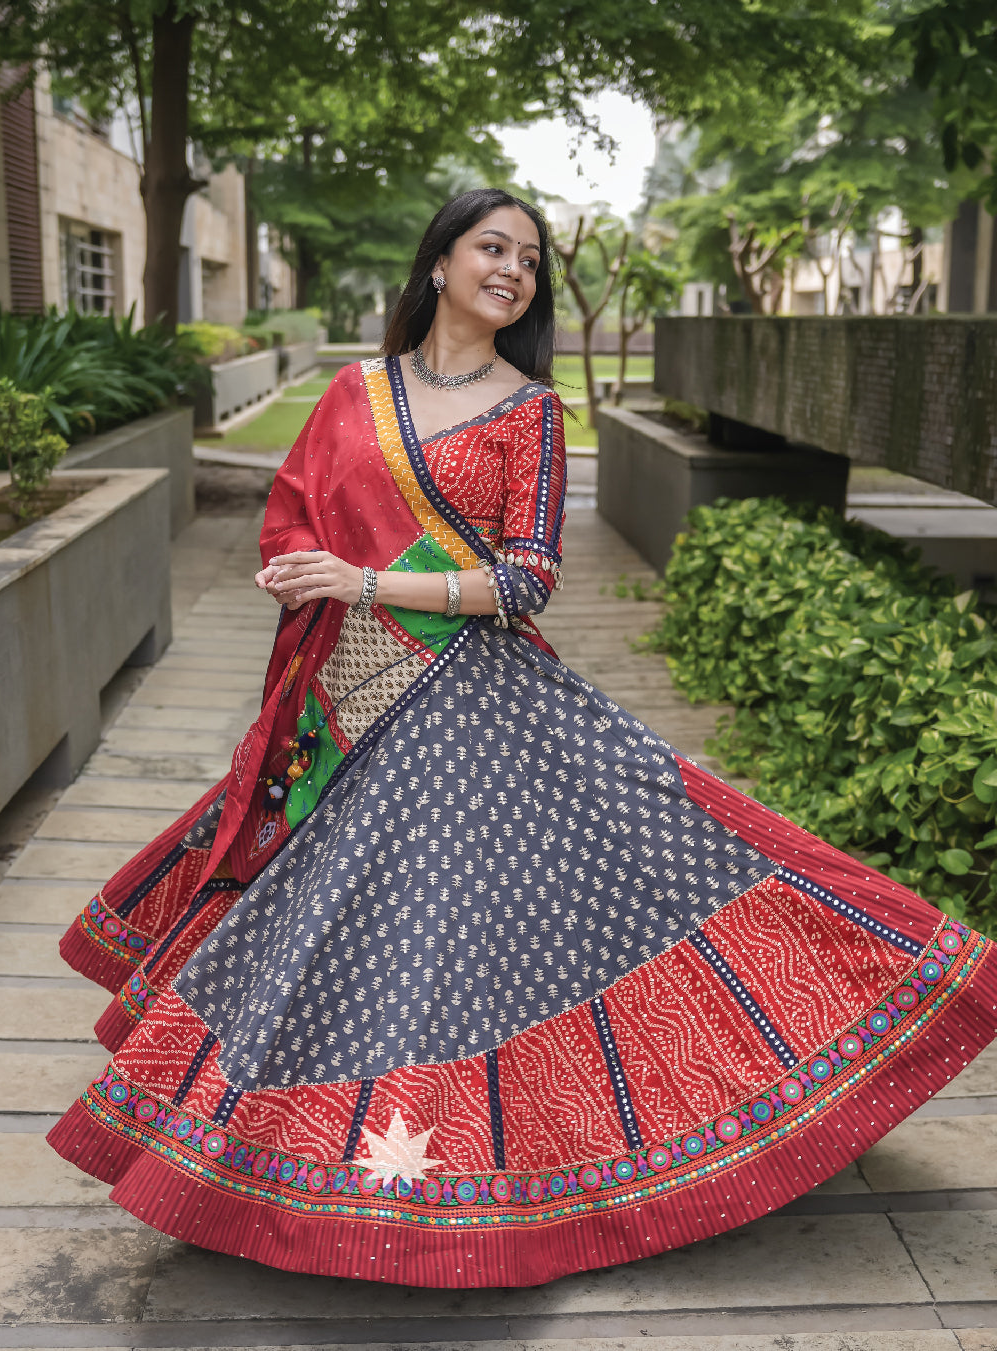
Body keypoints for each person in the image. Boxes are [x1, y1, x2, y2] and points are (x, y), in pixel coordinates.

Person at [48, 188, 997, 1289]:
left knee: (478, 914)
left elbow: (528, 578)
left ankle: (432, 1188)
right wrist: (303, 568)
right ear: (440, 260)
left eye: (531, 261)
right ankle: (274, 1160)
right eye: (492, 248)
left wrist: (367, 578)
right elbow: (297, 513)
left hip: (471, 696)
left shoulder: (530, 412)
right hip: (345, 687)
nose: (513, 270)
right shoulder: (355, 393)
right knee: (324, 911)